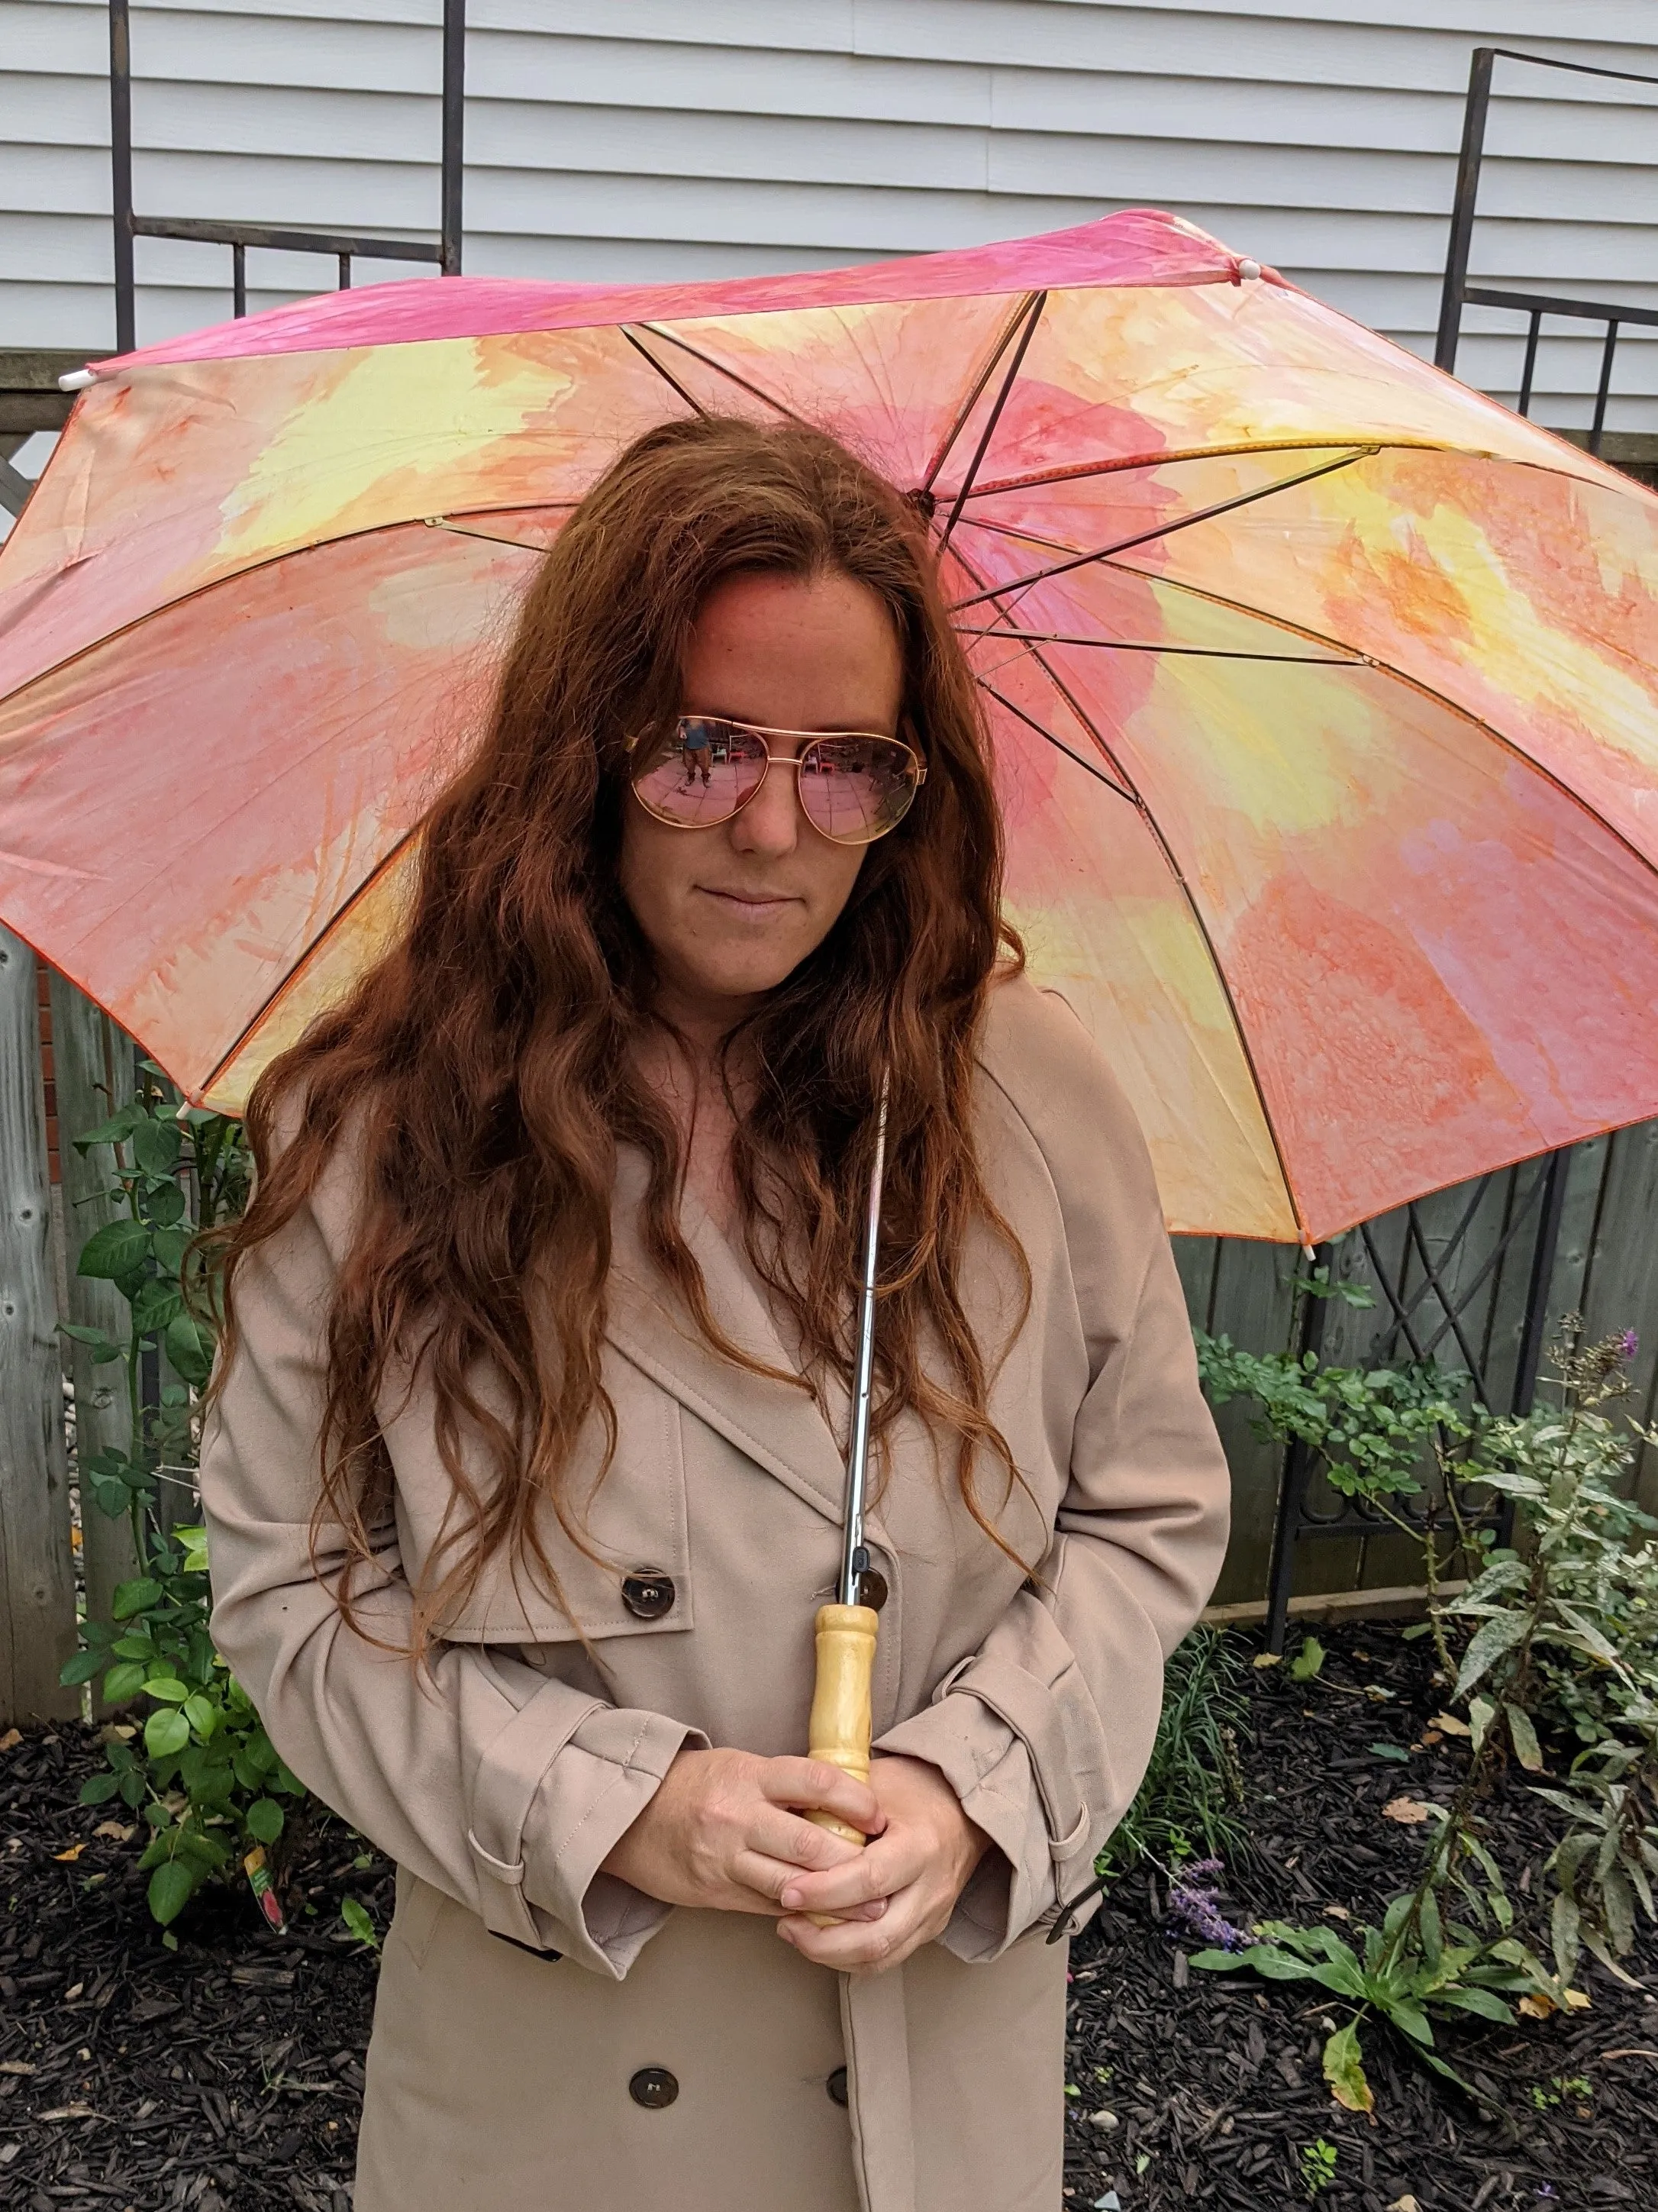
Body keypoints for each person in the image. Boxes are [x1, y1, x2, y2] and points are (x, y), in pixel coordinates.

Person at [198, 415, 1230, 2212]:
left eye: (847, 764)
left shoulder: (1030, 1105)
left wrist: (977, 1782)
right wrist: (616, 1807)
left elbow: (1147, 1517)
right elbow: (295, 1590)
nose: (774, 825)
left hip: (929, 2067)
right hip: (555, 2088)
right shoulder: (378, 1134)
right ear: (580, 750)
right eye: (702, 748)